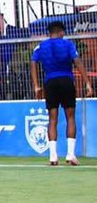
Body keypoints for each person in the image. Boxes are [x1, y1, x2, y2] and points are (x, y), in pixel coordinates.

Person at [30, 21, 92, 165]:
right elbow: (77, 61)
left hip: (50, 82)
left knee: (52, 119)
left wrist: (36, 86)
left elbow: (33, 63)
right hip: (66, 80)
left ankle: (53, 156)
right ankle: (70, 155)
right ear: (61, 32)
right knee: (70, 117)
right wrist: (87, 82)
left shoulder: (41, 46)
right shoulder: (68, 44)